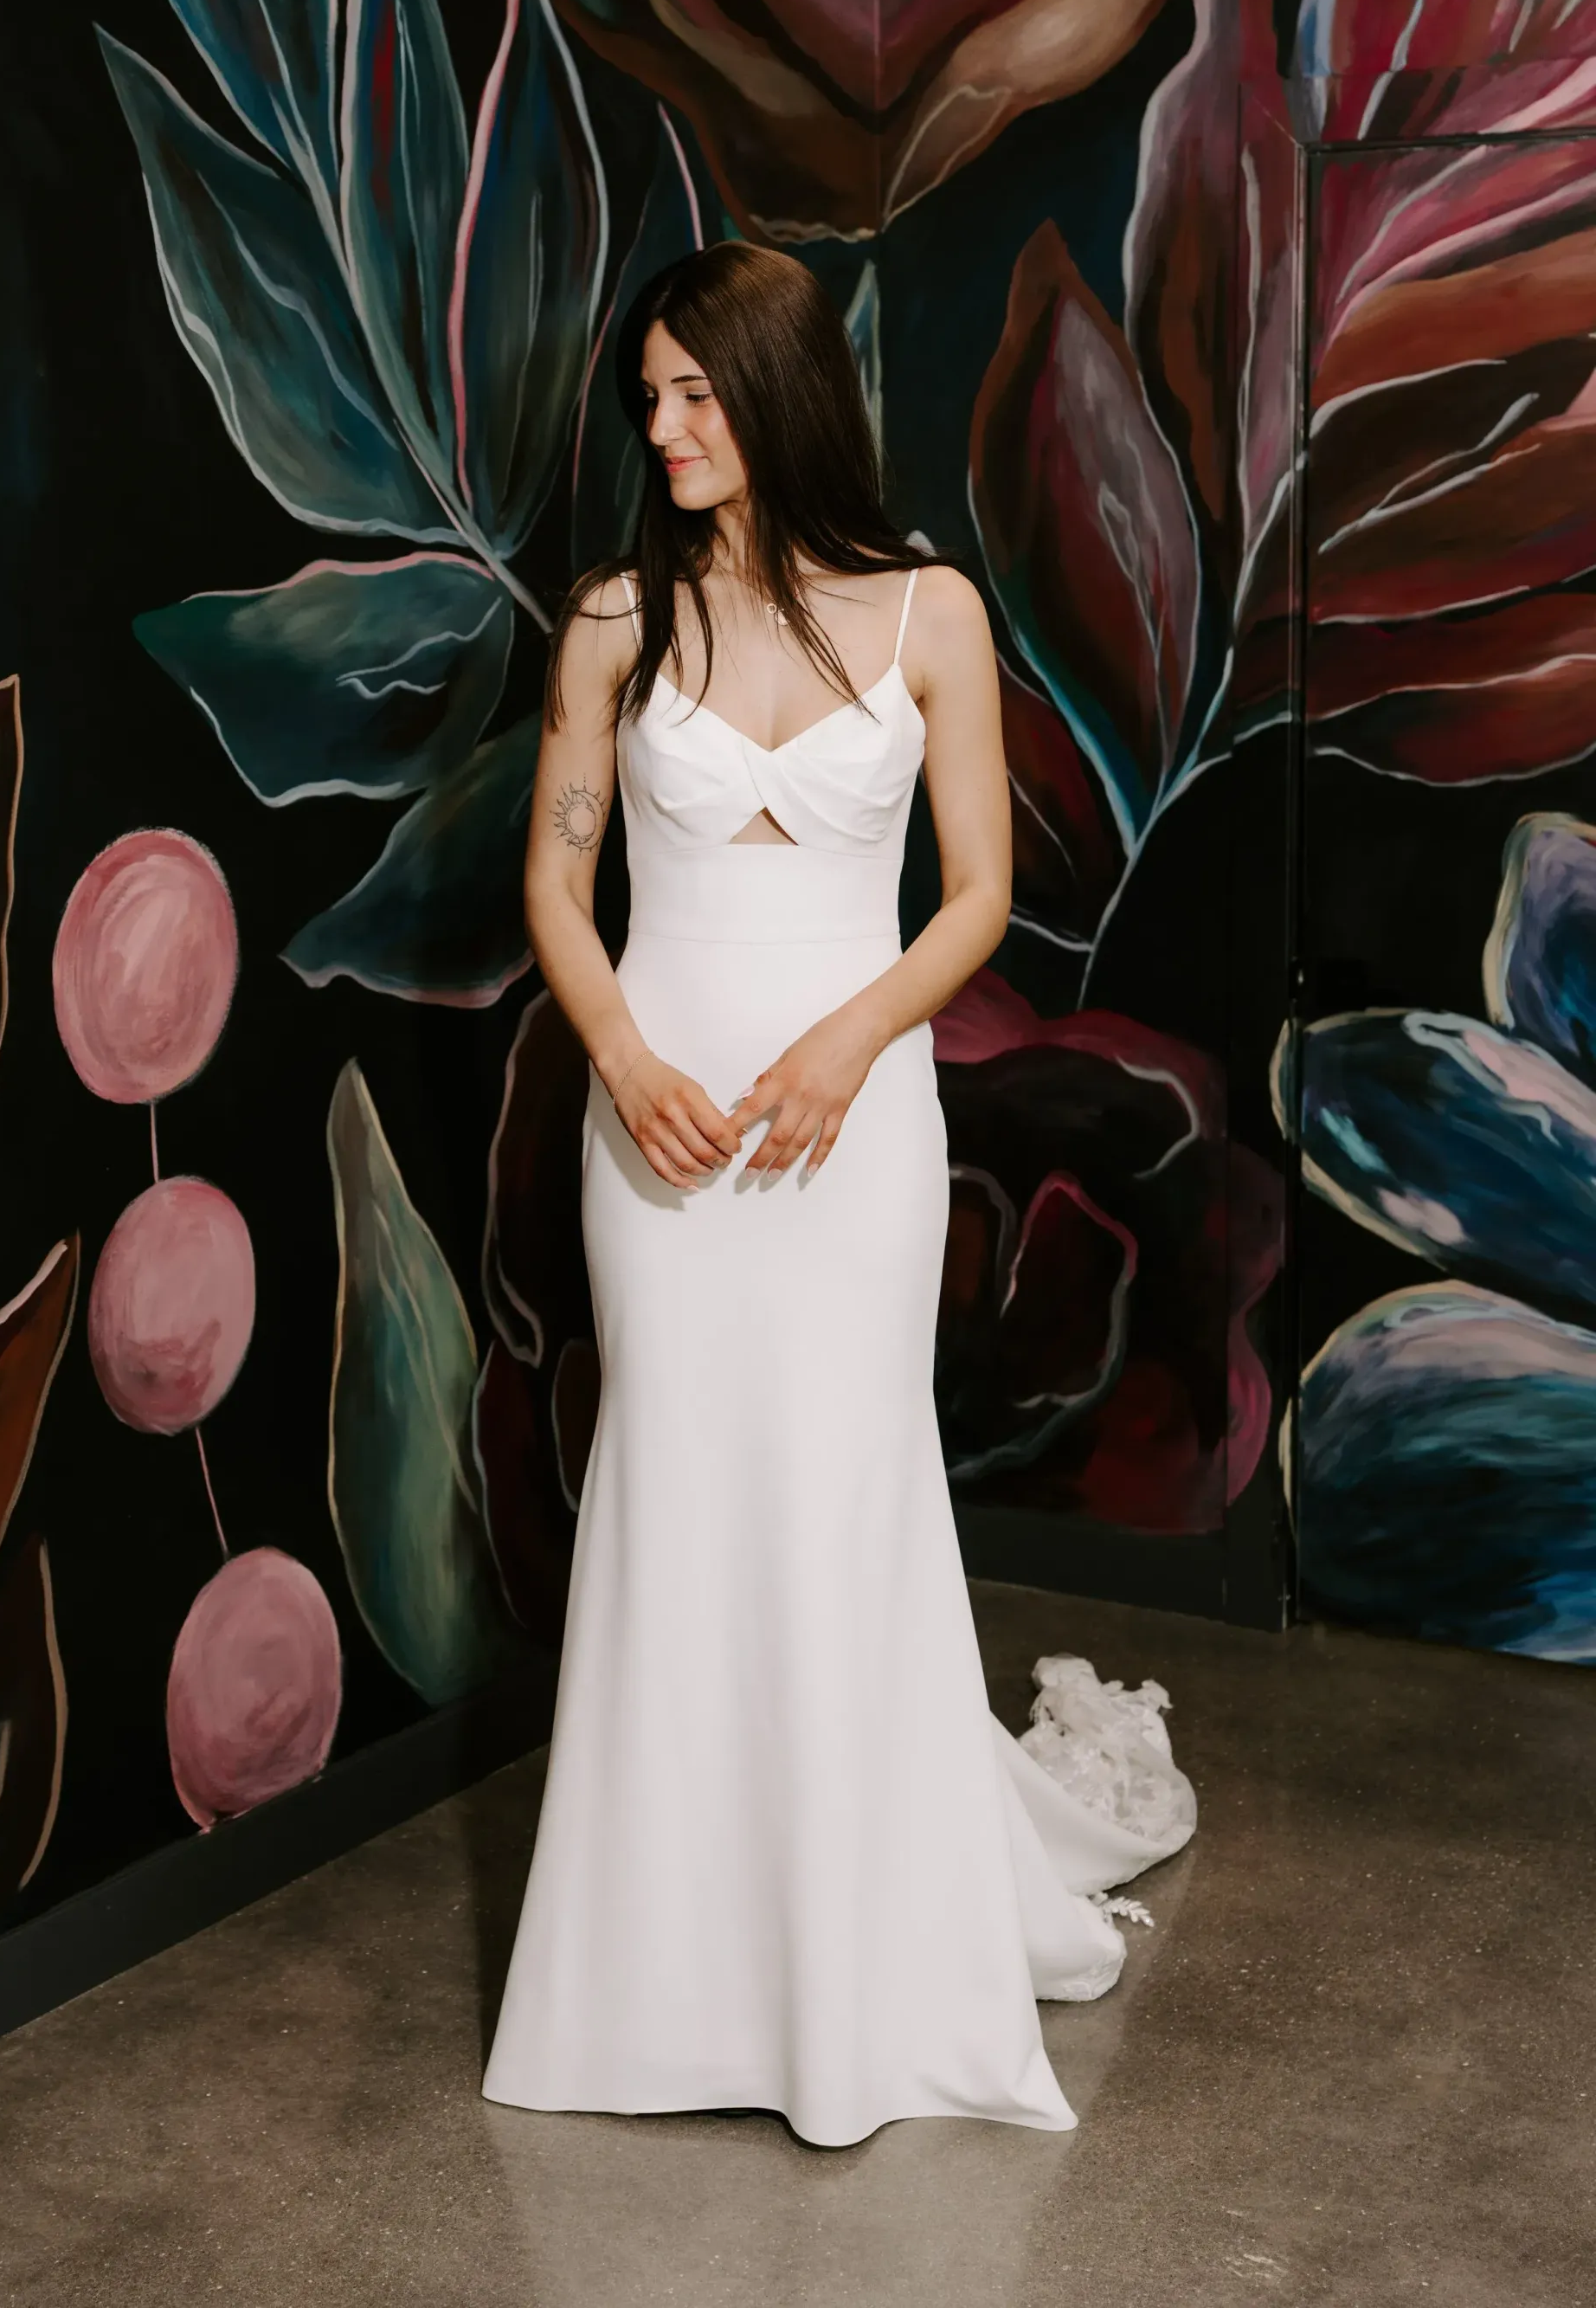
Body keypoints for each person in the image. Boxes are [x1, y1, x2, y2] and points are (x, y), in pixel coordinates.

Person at [481, 242, 1194, 2150]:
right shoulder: (615, 624)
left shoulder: (931, 613)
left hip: (852, 1126)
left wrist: (848, 1044)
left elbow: (972, 895)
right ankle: (655, 1994)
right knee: (680, 1498)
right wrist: (628, 1061)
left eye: (695, 394)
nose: (665, 427)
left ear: (779, 389)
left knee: (844, 1502)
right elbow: (559, 884)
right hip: (664, 1129)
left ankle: (858, 1974)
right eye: (650, 399)